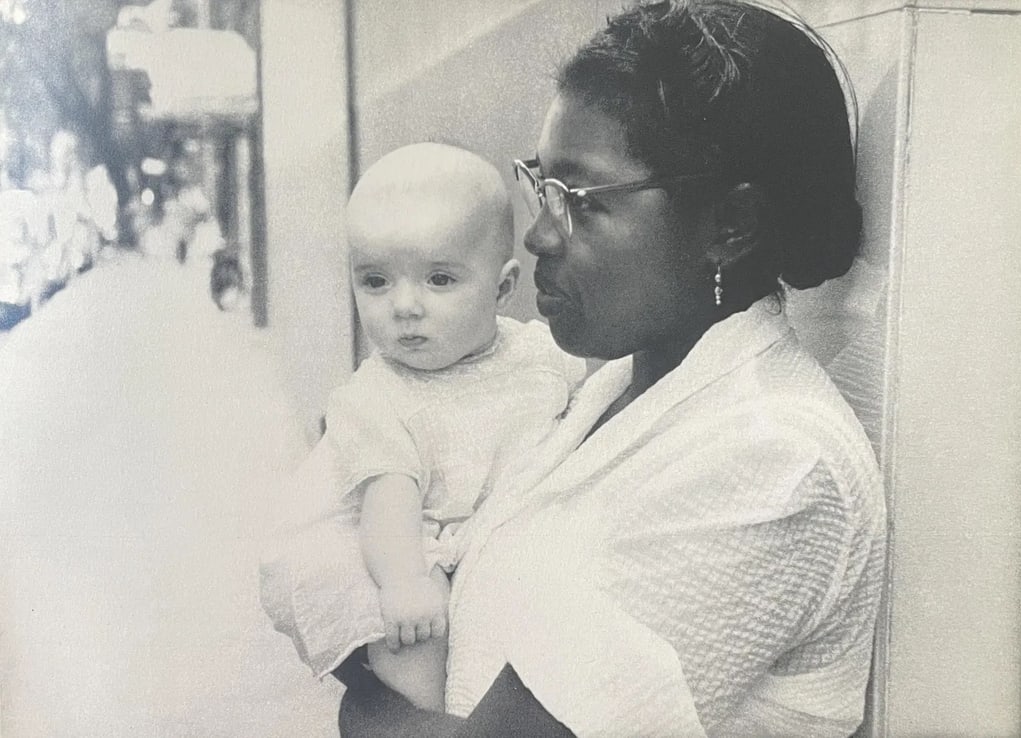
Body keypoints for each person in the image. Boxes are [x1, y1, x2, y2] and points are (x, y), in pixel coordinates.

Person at [334, 1, 886, 736]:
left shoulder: (776, 463)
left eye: (579, 202)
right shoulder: (609, 390)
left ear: (731, 225)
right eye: (540, 186)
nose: (536, 235)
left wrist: (364, 706)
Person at [259, 143, 587, 712]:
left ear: (503, 289)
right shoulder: (377, 398)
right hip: (415, 544)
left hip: (505, 533)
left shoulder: (538, 355)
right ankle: (431, 717)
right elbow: (389, 501)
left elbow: (582, 412)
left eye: (438, 280)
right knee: (414, 641)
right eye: (376, 282)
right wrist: (404, 582)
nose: (404, 306)